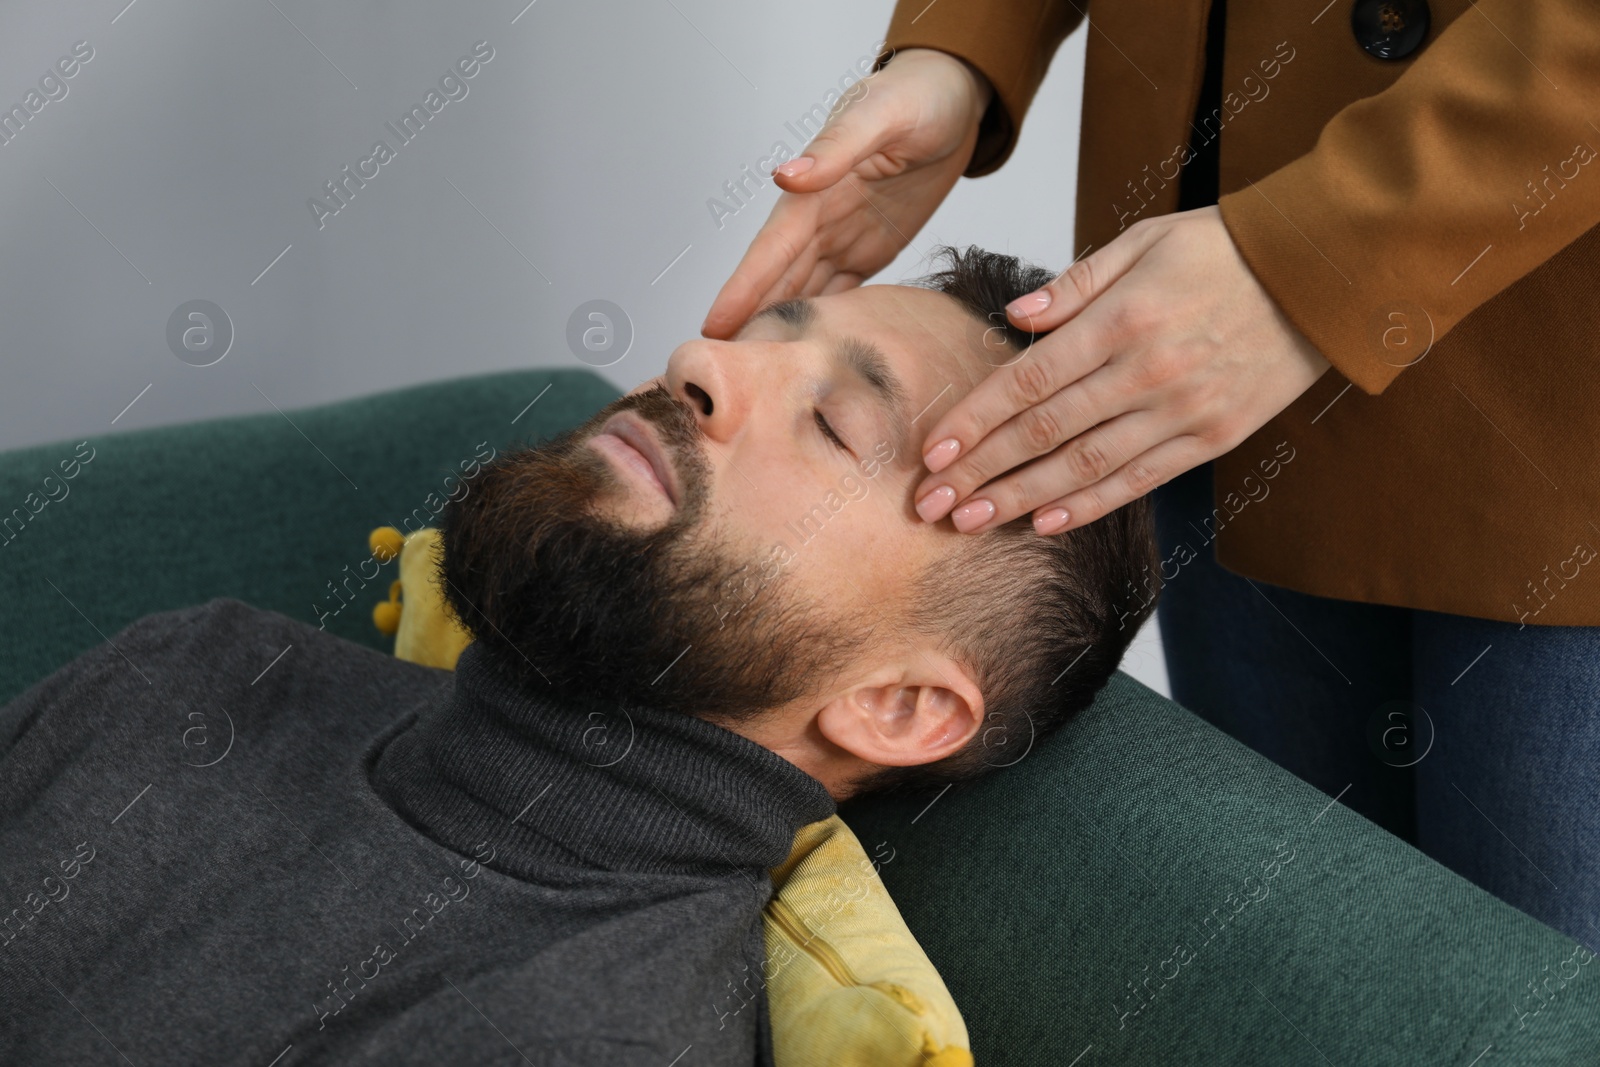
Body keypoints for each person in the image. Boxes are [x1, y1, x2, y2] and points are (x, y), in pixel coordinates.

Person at [0, 248, 1156, 1066]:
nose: (696, 356)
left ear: (897, 705)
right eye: (754, 335)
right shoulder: (202, 671)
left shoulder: (588, 1036)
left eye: (836, 423)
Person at [703, 1, 1600, 945]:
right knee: (1284, 978)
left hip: (1549, 388)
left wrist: (1317, 253)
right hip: (1195, 337)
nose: (698, 368)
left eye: (837, 427)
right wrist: (964, 45)